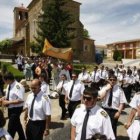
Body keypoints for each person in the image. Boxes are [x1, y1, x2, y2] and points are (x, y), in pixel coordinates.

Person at [0, 72, 25, 140]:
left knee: (11, 127)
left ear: (8, 79)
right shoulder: (9, 85)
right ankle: (22, 137)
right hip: (10, 108)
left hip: (16, 109)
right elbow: (10, 95)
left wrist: (8, 102)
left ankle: (9, 138)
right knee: (17, 124)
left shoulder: (18, 86)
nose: (3, 82)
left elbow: (21, 100)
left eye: (4, 80)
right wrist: (4, 98)